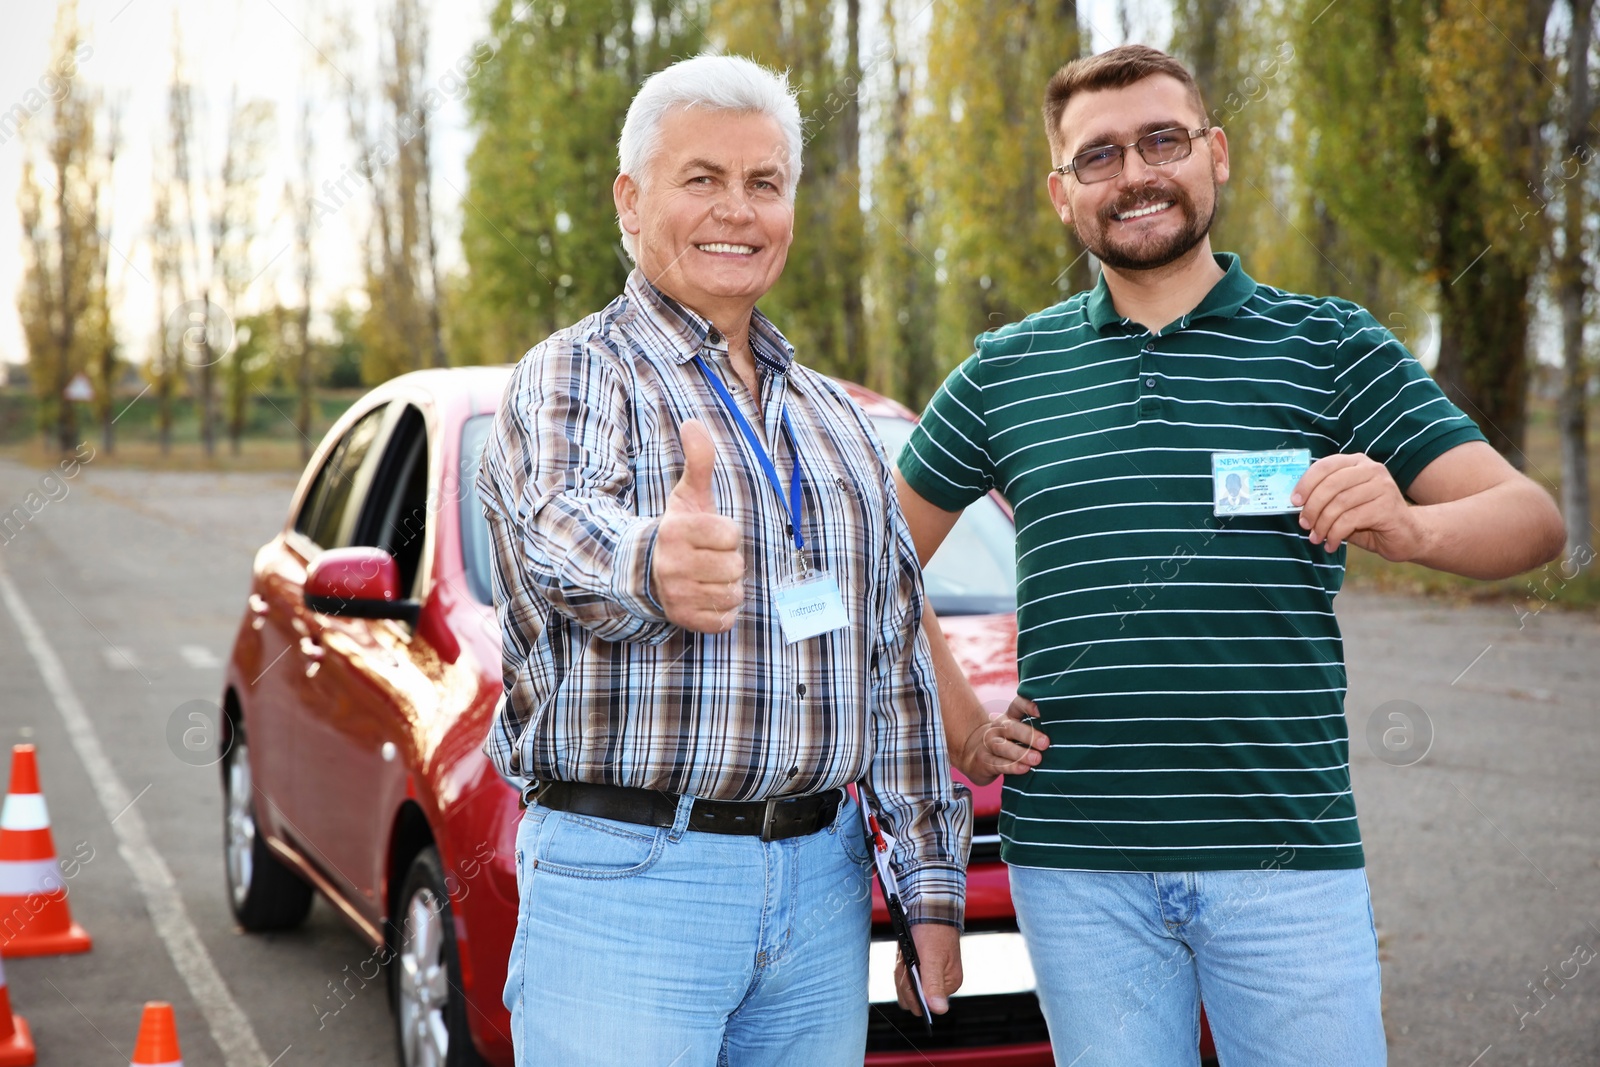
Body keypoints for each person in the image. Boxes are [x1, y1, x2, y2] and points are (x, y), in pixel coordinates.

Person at [894, 43, 1565, 1067]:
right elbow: (874, 561)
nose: (1134, 174)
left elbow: (1531, 520)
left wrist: (1410, 523)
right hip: (1078, 869)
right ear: (1059, 191)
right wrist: (958, 720)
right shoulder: (1004, 372)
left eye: (1161, 139)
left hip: (1284, 862)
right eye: (1099, 155)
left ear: (1215, 153)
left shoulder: (1330, 345)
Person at [477, 53, 970, 1067]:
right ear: (631, 198)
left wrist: (929, 888)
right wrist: (652, 560)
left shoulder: (835, 419)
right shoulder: (576, 372)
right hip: (630, 880)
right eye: (701, 178)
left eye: (764, 183)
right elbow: (558, 528)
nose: (735, 211)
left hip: (823, 891)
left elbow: (892, 666)